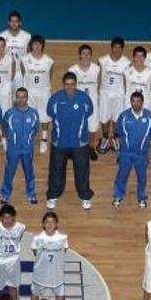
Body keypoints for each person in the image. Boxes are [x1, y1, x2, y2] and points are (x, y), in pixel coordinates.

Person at [46, 72, 99, 210]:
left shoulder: (84, 98)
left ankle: (85, 196)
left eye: (72, 84)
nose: (69, 87)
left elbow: (89, 112)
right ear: (63, 85)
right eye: (67, 84)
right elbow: (50, 113)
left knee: (82, 171)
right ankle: (53, 195)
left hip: (79, 142)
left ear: (76, 85)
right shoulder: (55, 99)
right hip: (60, 142)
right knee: (56, 170)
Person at [113, 92, 151, 209]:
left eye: (138, 101)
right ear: (130, 102)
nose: (136, 104)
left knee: (142, 177)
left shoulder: (149, 117)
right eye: (133, 101)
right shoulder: (124, 116)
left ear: (142, 102)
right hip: (126, 154)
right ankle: (118, 195)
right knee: (122, 175)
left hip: (141, 154)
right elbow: (118, 132)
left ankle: (141, 197)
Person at [0, 88, 39, 205]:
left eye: (23, 97)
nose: (21, 100)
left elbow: (36, 129)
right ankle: (5, 195)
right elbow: (4, 127)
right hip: (13, 149)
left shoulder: (34, 113)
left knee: (29, 172)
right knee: (9, 172)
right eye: (18, 97)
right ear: (15, 98)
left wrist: (28, 140)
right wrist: (6, 143)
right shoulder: (9, 113)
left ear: (27, 98)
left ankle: (31, 194)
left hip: (27, 149)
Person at [30, 211, 69, 300]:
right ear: (43, 224)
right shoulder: (37, 238)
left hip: (56, 272)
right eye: (47, 222)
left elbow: (63, 251)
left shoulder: (63, 237)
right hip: (40, 272)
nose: (50, 224)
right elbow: (35, 253)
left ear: (56, 224)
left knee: (59, 293)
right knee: (35, 293)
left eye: (52, 222)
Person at [21, 35, 54, 154]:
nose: (37, 46)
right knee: (29, 116)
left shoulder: (49, 61)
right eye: (34, 44)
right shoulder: (24, 60)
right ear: (31, 45)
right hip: (30, 93)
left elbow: (49, 77)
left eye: (39, 44)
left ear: (42, 46)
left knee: (44, 117)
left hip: (44, 93)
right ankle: (29, 138)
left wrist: (43, 89)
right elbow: (24, 75)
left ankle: (44, 138)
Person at [97, 37, 131, 153]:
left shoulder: (126, 63)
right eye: (115, 47)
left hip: (119, 94)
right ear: (111, 47)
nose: (117, 50)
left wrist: (127, 95)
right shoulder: (102, 60)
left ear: (122, 49)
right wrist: (98, 90)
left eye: (119, 48)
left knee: (117, 118)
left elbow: (127, 80)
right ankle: (105, 138)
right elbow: (99, 76)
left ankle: (116, 138)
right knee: (104, 117)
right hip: (105, 93)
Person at [0, 204, 26, 300]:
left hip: (13, 260)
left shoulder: (20, 227)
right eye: (4, 217)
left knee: (13, 287)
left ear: (14, 217)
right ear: (0, 217)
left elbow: (19, 239)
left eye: (9, 217)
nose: (7, 220)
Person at [0, 10, 31, 89]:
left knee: (20, 97)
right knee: (6, 97)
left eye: (16, 21)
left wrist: (27, 72)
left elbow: (29, 55)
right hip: (6, 71)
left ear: (20, 23)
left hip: (20, 72)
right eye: (12, 21)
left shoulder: (27, 36)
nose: (14, 23)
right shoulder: (1, 36)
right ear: (8, 22)